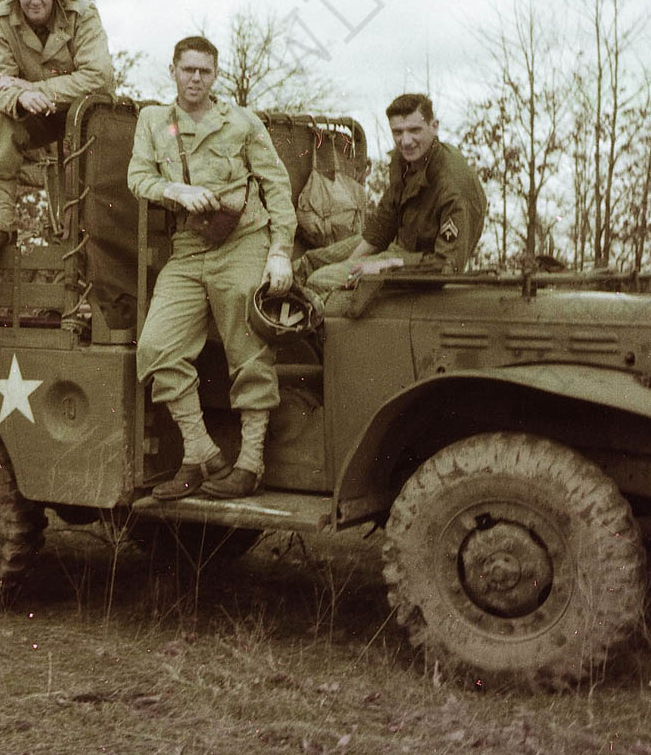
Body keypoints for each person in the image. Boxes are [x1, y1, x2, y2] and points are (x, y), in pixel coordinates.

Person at [128, 36, 296, 500]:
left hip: (243, 240)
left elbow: (276, 185)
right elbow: (137, 177)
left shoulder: (241, 122)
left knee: (250, 345)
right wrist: (177, 192)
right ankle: (202, 453)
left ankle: (250, 462)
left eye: (204, 71)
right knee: (157, 345)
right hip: (188, 247)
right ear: (173, 71)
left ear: (215, 75)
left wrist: (280, 250)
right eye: (188, 70)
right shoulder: (153, 122)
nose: (196, 78)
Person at [0, 0, 114, 253]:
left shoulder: (82, 13)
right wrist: (21, 96)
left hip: (85, 112)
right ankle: (1, 223)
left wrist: (34, 89)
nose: (35, 0)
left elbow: (98, 78)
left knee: (98, 152)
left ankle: (93, 234)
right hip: (35, 113)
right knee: (0, 120)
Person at [298, 93, 486, 296]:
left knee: (320, 280)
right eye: (398, 132)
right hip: (399, 247)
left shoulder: (452, 185)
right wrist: (351, 264)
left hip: (419, 265)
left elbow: (447, 266)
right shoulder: (405, 159)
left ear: (434, 126)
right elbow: (384, 221)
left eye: (415, 130)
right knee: (310, 262)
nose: (405, 141)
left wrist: (383, 267)